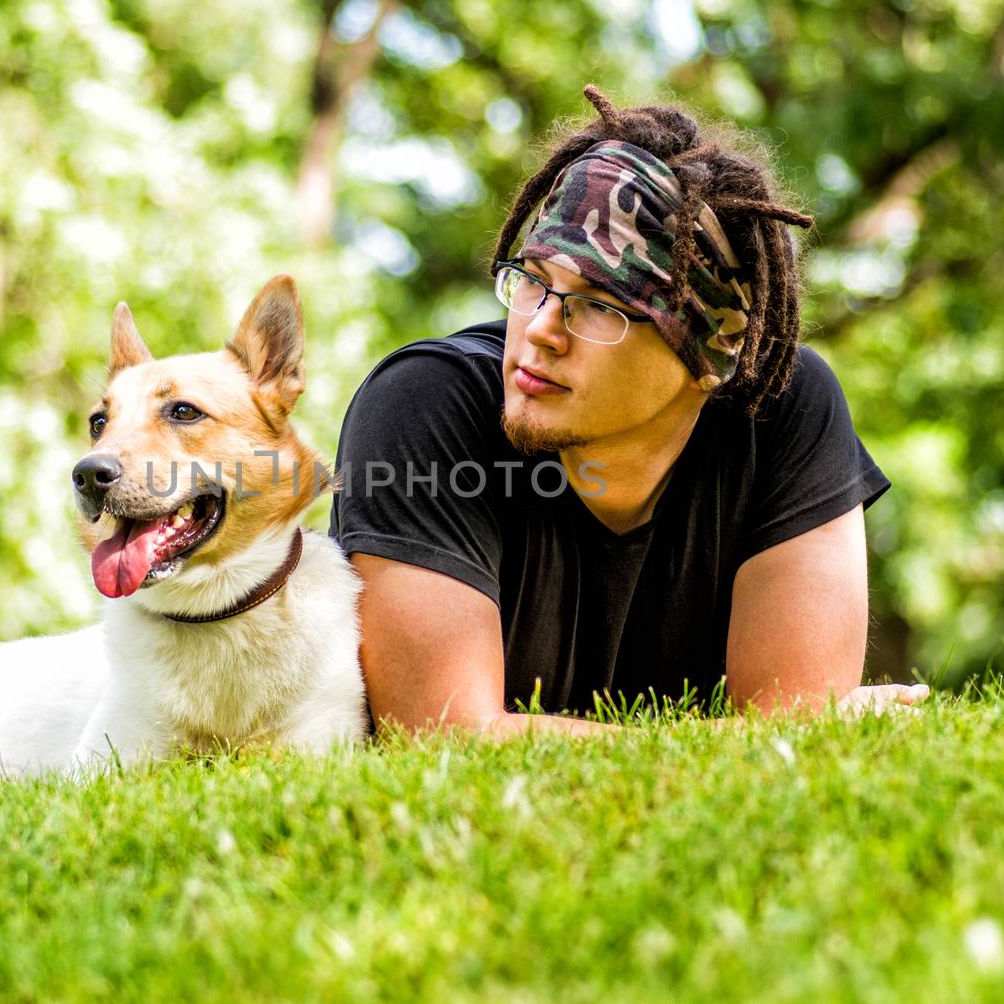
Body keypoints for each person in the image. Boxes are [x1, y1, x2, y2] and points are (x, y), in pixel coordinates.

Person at [328, 86, 927, 735]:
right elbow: (446, 737)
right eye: (534, 279)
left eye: (600, 306)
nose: (540, 329)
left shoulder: (780, 410)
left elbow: (790, 737)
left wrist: (785, 730)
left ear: (715, 352)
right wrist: (753, 736)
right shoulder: (424, 404)